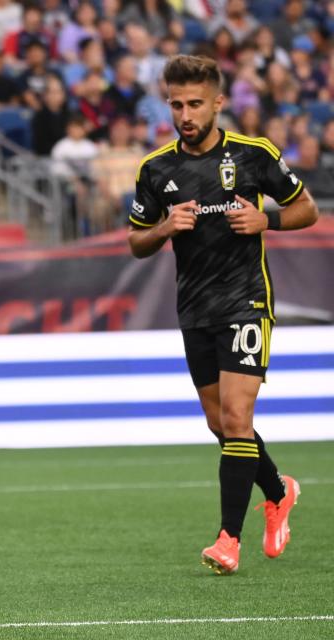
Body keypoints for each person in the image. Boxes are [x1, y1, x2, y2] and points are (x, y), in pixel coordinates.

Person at [128, 55, 318, 575]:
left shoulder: (254, 155)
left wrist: (267, 218)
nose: (185, 114)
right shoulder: (156, 169)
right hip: (194, 308)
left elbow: (307, 209)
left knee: (237, 419)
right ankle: (279, 491)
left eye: (194, 104)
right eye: (176, 105)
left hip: (246, 300)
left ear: (217, 102)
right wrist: (164, 228)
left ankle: (228, 539)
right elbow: (136, 242)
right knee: (221, 425)